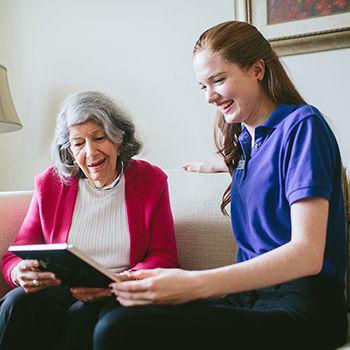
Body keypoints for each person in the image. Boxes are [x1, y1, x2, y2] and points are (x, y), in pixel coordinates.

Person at [105, 21, 348, 350]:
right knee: (115, 313)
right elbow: (268, 175)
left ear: (257, 69)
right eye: (202, 86)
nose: (209, 96)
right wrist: (218, 166)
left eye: (218, 80)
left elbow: (307, 255)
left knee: (119, 330)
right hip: (247, 300)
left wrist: (195, 283)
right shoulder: (245, 143)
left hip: (303, 306)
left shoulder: (303, 126)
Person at [0, 91, 179, 350]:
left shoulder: (151, 181)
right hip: (62, 289)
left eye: (99, 138)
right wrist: (19, 272)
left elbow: (165, 256)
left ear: (119, 139)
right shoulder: (50, 183)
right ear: (69, 151)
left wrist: (123, 282)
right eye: (78, 143)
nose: (90, 152)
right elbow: (13, 257)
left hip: (122, 290)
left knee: (88, 321)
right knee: (18, 304)